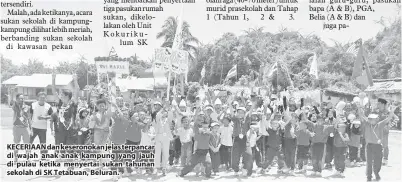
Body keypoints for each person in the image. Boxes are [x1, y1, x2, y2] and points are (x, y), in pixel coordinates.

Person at [358, 104, 396, 181]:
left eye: (374, 119)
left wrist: (392, 111)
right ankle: (369, 176)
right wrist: (359, 107)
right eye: (371, 119)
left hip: (378, 146)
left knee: (378, 162)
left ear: (376, 119)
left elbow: (388, 118)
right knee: (369, 162)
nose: (372, 120)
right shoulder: (367, 124)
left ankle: (376, 173)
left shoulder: (380, 125)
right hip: (369, 146)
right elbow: (361, 115)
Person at [29, 92, 53, 156]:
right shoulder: (33, 105)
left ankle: (43, 156)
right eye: (41, 97)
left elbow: (52, 116)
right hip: (33, 127)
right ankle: (28, 154)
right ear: (38, 98)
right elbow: (30, 116)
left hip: (43, 128)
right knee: (29, 141)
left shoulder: (48, 106)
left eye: (44, 97)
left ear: (45, 98)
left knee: (43, 142)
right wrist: (30, 126)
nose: (42, 99)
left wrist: (44, 117)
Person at [154, 106, 173, 176]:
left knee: (166, 153)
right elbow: (157, 115)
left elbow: (171, 115)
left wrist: (169, 109)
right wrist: (162, 109)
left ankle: (164, 167)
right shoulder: (158, 119)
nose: (164, 113)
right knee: (157, 152)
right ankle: (157, 167)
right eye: (163, 112)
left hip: (166, 137)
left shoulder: (168, 120)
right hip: (158, 136)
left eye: (165, 112)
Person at [12, 93, 31, 162]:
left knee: (27, 144)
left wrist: (31, 128)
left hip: (25, 127)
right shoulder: (15, 106)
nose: (22, 99)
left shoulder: (27, 107)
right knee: (16, 143)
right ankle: (16, 158)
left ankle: (28, 158)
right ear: (16, 99)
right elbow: (15, 104)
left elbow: (29, 118)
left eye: (23, 98)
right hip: (17, 127)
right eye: (20, 98)